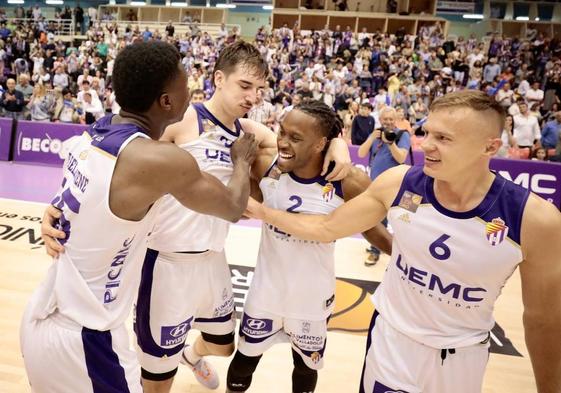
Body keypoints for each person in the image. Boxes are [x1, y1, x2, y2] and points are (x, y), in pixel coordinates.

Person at [41, 42, 352, 393]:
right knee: (159, 375)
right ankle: (172, 362)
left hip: (213, 259)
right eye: (245, 86)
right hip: (168, 260)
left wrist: (338, 141)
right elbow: (102, 153)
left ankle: (192, 356)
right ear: (219, 79)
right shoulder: (182, 120)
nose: (253, 97)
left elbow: (301, 137)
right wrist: (56, 204)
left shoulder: (249, 131)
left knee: (224, 344)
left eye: (260, 90)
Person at [246, 90, 561, 393]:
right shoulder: (399, 183)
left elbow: (543, 320)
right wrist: (263, 210)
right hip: (391, 342)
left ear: (490, 148)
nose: (426, 146)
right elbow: (328, 226)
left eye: (444, 138)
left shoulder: (535, 220)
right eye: (426, 133)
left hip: (462, 354)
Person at [21, 41, 259, 393]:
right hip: (87, 338)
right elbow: (233, 207)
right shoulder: (159, 159)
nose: (191, 91)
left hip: (46, 317)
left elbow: (76, 196)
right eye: (185, 87)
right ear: (166, 102)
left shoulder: (95, 133)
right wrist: (241, 161)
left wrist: (50, 212)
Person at [226, 100, 392, 393]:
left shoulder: (349, 181)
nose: (283, 142)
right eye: (282, 132)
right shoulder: (267, 165)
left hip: (312, 299)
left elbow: (374, 230)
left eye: (295, 137)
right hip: (266, 292)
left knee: (305, 369)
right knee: (243, 362)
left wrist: (410, 255)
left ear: (320, 145)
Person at [358, 106, 410, 265]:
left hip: (397, 185)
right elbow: (361, 153)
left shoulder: (403, 134)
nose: (388, 122)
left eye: (391, 119)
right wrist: (371, 138)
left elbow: (401, 158)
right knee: (377, 219)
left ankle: (406, 254)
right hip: (377, 185)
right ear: (380, 120)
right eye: (385, 119)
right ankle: (376, 249)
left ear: (396, 120)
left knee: (404, 219)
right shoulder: (376, 134)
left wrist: (390, 143)